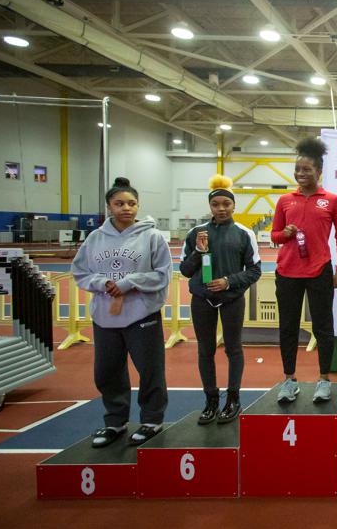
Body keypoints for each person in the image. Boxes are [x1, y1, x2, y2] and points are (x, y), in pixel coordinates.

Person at [72, 177, 171, 447]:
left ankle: (152, 419)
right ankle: (115, 422)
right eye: (119, 203)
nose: (126, 208)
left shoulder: (151, 236)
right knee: (107, 371)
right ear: (109, 207)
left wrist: (130, 283)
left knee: (150, 370)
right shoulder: (94, 238)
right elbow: (80, 272)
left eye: (131, 203)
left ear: (138, 206)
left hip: (142, 314)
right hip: (105, 316)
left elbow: (162, 275)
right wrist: (102, 283)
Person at [179, 175, 262, 424]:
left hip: (232, 299)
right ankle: (211, 400)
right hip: (202, 300)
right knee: (205, 350)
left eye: (226, 204)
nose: (222, 208)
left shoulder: (244, 233)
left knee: (233, 349)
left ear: (234, 205)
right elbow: (184, 270)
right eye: (216, 205)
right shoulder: (196, 233)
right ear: (210, 207)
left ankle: (233, 399)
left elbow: (254, 270)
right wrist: (198, 252)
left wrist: (229, 282)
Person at [271, 138, 337, 404]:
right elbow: (275, 236)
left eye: (306, 170)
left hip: (319, 272)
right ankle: (289, 380)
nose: (301, 174)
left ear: (319, 171)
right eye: (297, 170)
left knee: (323, 327)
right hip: (287, 273)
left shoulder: (333, 201)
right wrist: (285, 233)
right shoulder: (284, 201)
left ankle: (324, 380)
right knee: (288, 328)